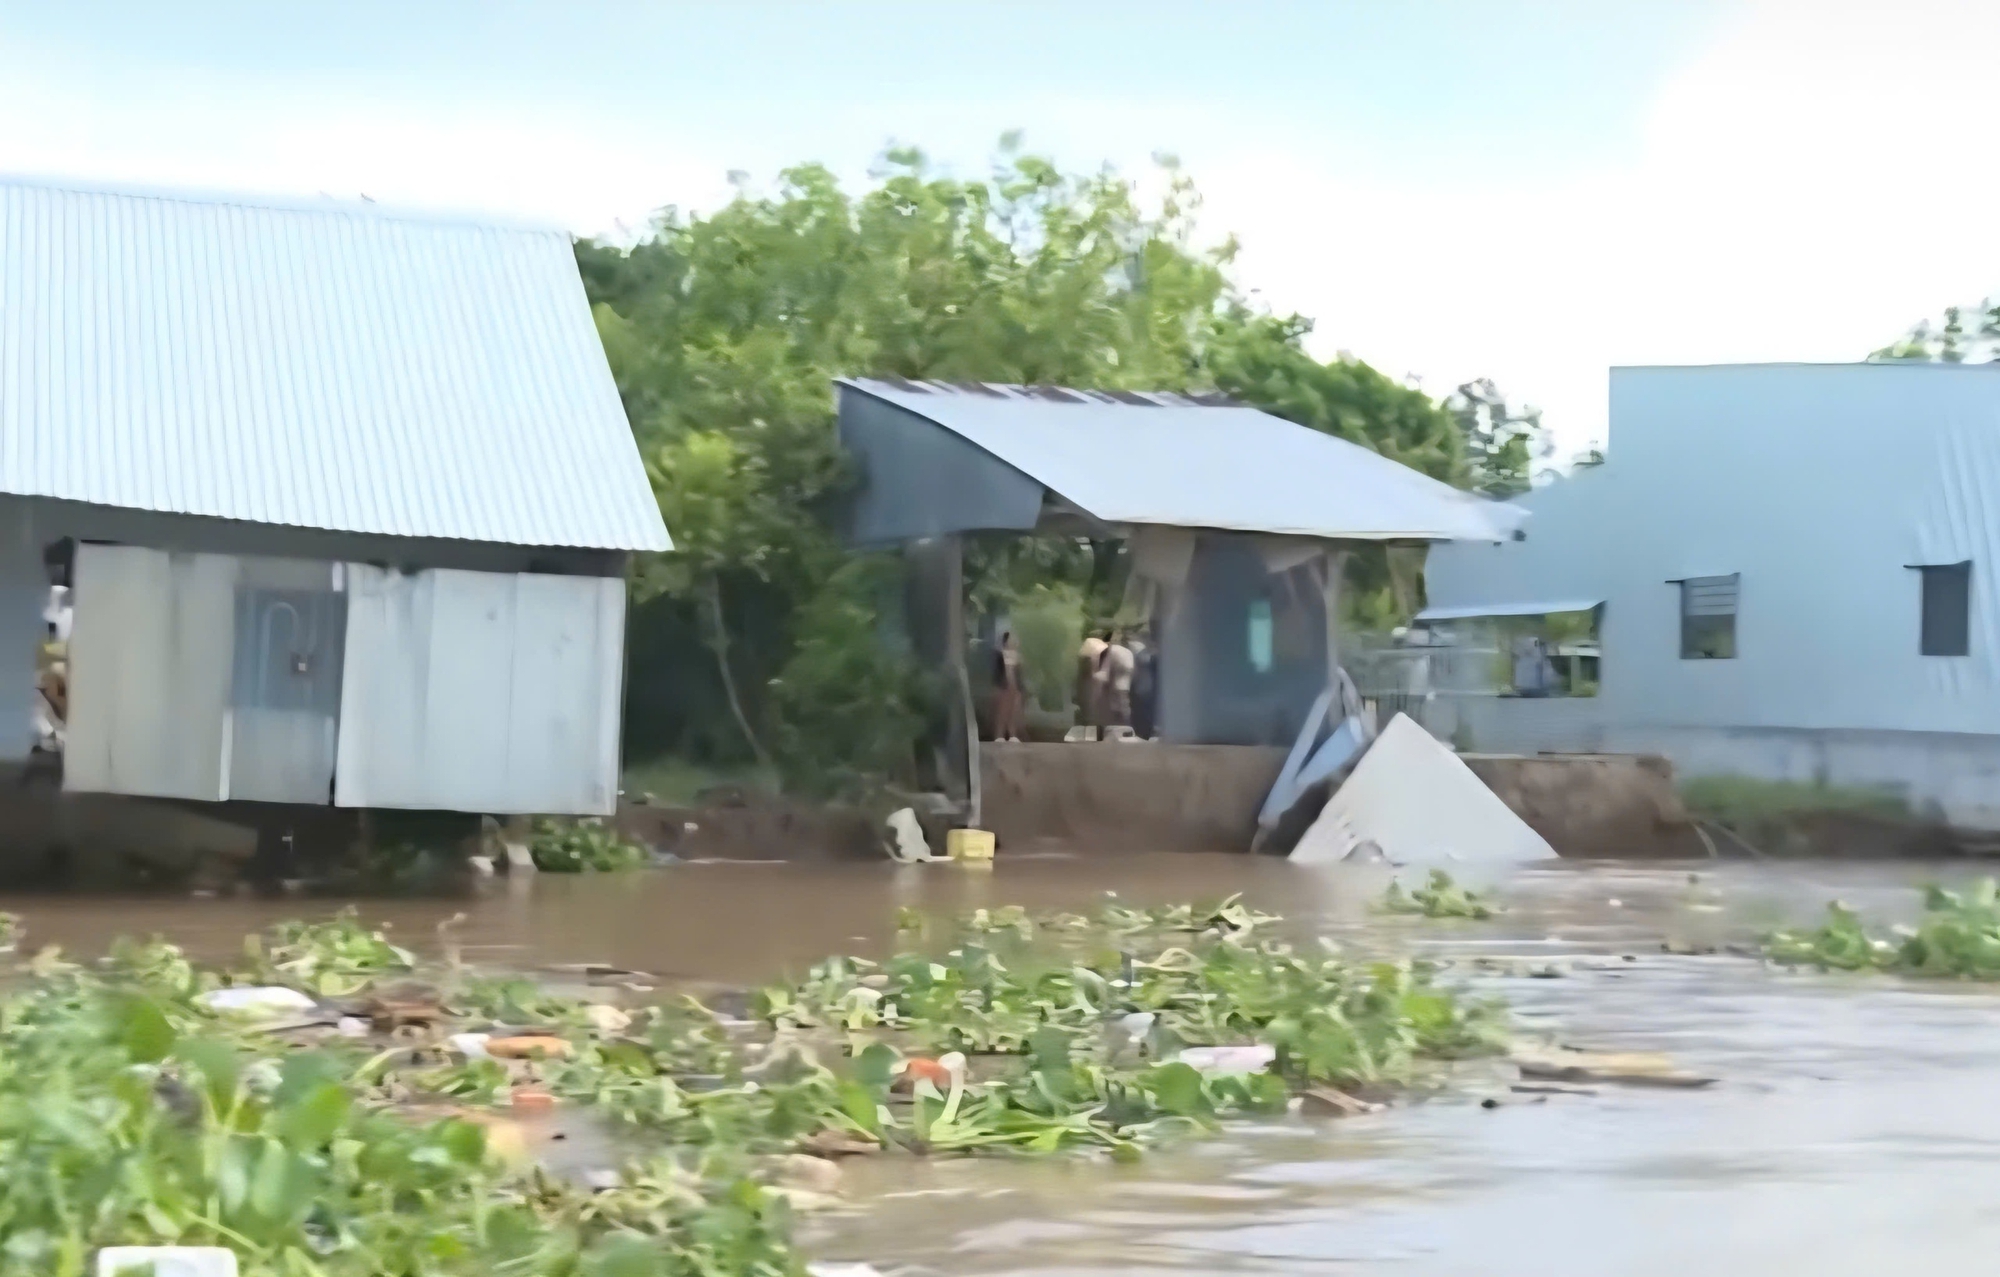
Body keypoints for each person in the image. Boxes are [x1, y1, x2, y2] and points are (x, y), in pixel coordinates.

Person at [990, 631, 1025, 742]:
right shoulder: (1000, 654)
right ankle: (999, 735)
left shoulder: (1018, 656)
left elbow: (1019, 674)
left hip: (1015, 688)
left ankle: (1012, 735)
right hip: (1003, 687)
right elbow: (997, 672)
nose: (1014, 641)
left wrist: (1020, 688)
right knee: (1002, 712)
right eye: (1012, 639)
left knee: (1014, 712)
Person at [1103, 630, 1136, 729]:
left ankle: (1119, 726)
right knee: (1124, 707)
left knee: (1115, 708)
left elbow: (1107, 667)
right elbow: (1130, 667)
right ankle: (1127, 727)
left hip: (1114, 684)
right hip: (1126, 684)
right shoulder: (1128, 651)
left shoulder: (1112, 650)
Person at [1076, 630, 1109, 728]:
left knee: (1087, 707)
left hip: (1086, 681)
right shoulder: (1100, 647)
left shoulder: (1084, 647)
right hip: (1093, 681)